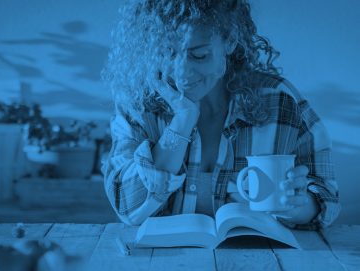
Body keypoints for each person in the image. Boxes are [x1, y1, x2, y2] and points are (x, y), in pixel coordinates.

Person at [102, 0, 340, 229]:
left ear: (230, 40)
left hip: (259, 262)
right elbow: (127, 207)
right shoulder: (138, 104)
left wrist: (298, 207)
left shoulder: (278, 99)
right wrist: (181, 123)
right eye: (168, 53)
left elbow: (327, 197)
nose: (182, 72)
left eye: (199, 55)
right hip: (161, 265)